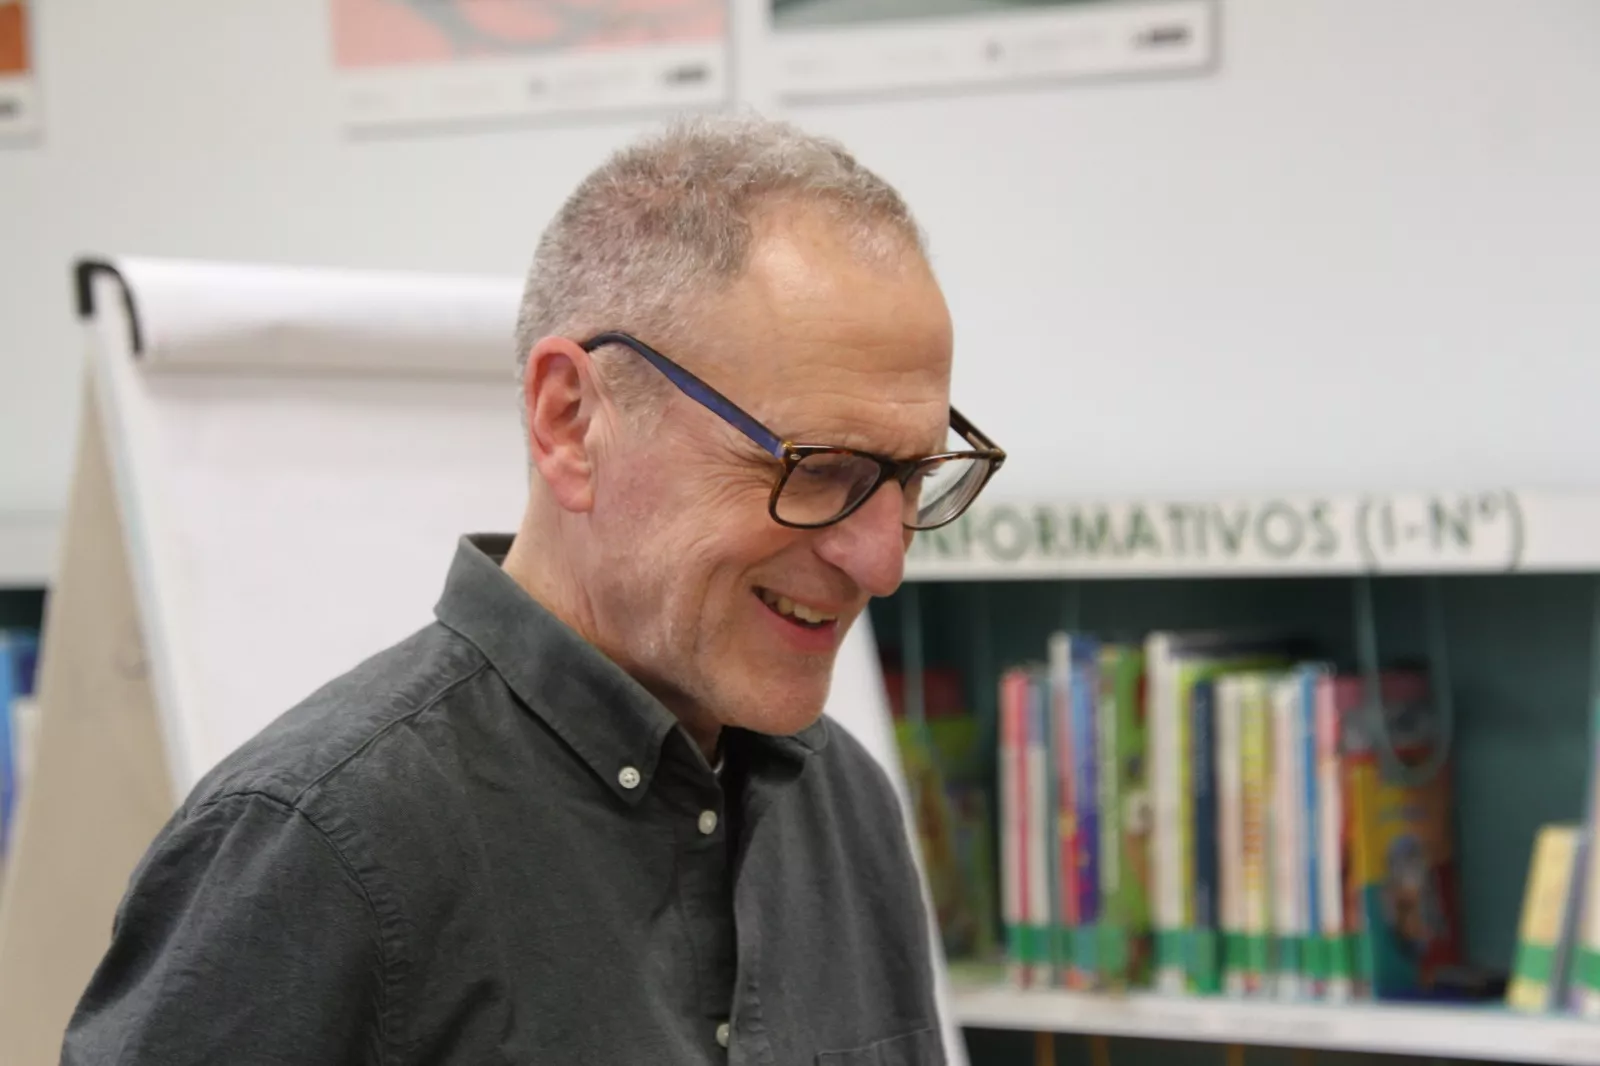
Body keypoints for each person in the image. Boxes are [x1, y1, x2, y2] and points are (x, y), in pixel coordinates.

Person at [61, 114, 1005, 1065]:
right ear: (570, 420)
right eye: (817, 466)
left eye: (914, 478)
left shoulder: (843, 805)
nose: (881, 563)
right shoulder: (318, 849)